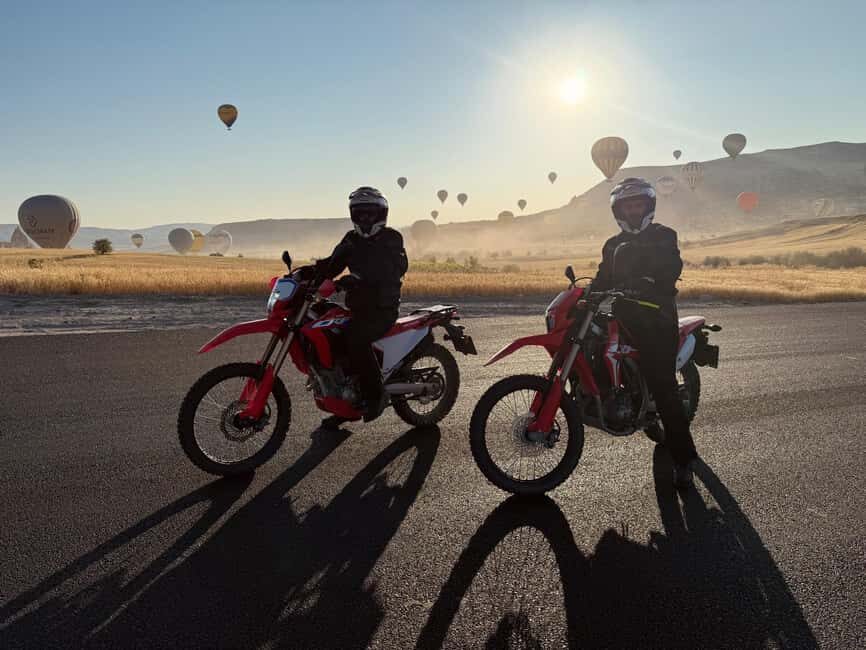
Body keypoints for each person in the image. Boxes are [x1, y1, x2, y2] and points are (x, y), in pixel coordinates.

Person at [590, 177, 698, 488]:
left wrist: (651, 283)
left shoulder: (664, 236)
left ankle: (685, 460)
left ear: (648, 206)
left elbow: (670, 269)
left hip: (656, 317)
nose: (634, 210)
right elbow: (601, 279)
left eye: (638, 204)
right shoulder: (611, 245)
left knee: (663, 384)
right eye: (628, 205)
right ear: (618, 210)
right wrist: (585, 296)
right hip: (622, 317)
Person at [315, 186, 408, 425]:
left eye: (370, 214)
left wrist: (357, 279)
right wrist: (307, 274)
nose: (365, 219)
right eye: (360, 214)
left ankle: (376, 396)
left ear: (381, 215)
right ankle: (343, 402)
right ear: (353, 215)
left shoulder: (392, 239)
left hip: (382, 309)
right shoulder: (351, 239)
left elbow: (392, 269)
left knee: (355, 339)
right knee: (330, 337)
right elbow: (332, 264)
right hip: (357, 308)